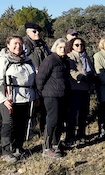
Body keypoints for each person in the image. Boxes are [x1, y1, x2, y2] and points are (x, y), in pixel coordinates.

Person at [0, 35, 36, 163]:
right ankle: (6, 151)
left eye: (20, 43)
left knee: (22, 123)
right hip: (9, 98)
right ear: (8, 45)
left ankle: (18, 147)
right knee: (8, 124)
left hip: (26, 97)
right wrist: (3, 99)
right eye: (15, 43)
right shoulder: (3, 60)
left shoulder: (27, 60)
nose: (18, 46)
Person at [36, 38, 70, 158]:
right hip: (51, 96)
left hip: (62, 95)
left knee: (59, 120)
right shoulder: (50, 59)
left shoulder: (65, 60)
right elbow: (40, 78)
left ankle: (56, 144)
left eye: (65, 47)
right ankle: (47, 148)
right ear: (55, 47)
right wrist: (41, 93)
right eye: (60, 47)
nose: (63, 49)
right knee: (52, 120)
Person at [65, 37, 95, 147]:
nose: (79, 47)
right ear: (72, 46)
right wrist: (80, 76)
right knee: (73, 113)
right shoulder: (70, 56)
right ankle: (70, 136)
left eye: (81, 45)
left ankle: (81, 134)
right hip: (75, 87)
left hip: (86, 87)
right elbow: (71, 70)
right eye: (77, 45)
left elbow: (90, 69)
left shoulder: (85, 56)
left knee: (83, 113)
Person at [23, 22, 50, 135]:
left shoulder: (43, 44)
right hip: (31, 80)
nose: (37, 33)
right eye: (34, 31)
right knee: (32, 107)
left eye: (38, 31)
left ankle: (44, 129)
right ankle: (29, 132)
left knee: (45, 106)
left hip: (45, 80)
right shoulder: (24, 44)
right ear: (27, 32)